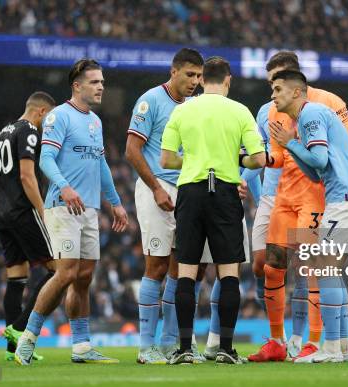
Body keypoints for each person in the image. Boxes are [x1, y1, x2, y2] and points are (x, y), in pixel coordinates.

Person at [14, 58, 129, 365]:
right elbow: (46, 159)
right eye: (95, 82)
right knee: (65, 273)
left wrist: (115, 202)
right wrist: (64, 186)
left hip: (89, 208)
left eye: (102, 81)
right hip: (62, 206)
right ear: (77, 86)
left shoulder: (95, 121)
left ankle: (81, 346)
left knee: (84, 277)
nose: (101, 86)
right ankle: (28, 337)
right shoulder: (59, 117)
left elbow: (101, 164)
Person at [248, 51, 348, 363]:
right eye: (270, 85)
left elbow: (346, 150)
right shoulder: (272, 112)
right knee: (271, 267)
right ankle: (276, 341)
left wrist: (341, 191)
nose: (272, 91)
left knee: (313, 269)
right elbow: (279, 155)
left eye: (276, 84)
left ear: (293, 82)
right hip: (283, 197)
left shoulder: (327, 104)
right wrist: (258, 160)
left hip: (315, 196)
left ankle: (313, 341)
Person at [160, 56, 265, 364]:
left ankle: (184, 349)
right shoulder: (240, 111)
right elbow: (258, 160)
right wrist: (236, 160)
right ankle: (226, 349)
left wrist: (192, 160)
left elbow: (165, 160)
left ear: (203, 79)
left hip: (190, 192)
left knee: (187, 273)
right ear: (228, 80)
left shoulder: (183, 109)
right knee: (229, 272)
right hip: (224, 191)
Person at [269, 70, 348, 363]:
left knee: (323, 268)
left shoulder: (311, 113)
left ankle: (329, 348)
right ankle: (342, 348)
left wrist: (291, 144)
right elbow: (316, 172)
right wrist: (294, 145)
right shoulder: (306, 117)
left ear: (296, 92)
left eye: (278, 89)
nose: (273, 95)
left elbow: (321, 159)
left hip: (346, 198)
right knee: (331, 271)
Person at [125, 48, 209, 364]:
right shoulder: (151, 101)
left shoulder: (194, 107)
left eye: (199, 76)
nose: (195, 82)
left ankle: (172, 342)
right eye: (190, 75)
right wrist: (157, 188)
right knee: (157, 265)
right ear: (173, 72)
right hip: (155, 188)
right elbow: (132, 150)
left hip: (187, 189)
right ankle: (146, 347)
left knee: (185, 267)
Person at [0, 91, 56, 361]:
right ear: (41, 111)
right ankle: (20, 328)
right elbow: (27, 176)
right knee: (59, 271)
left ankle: (11, 351)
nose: (48, 124)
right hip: (23, 211)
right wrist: (43, 212)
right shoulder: (29, 129)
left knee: (17, 278)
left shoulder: (2, 132)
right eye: (49, 117)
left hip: (2, 212)